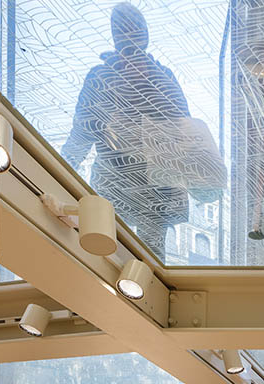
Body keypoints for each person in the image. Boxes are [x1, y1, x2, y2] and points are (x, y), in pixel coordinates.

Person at [62, 3, 192, 260]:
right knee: (107, 254)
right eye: (125, 30)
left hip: (151, 185)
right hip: (120, 183)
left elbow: (184, 131)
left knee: (143, 259)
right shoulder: (104, 77)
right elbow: (83, 130)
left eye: (133, 30)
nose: (130, 36)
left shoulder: (160, 78)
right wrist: (58, 172)